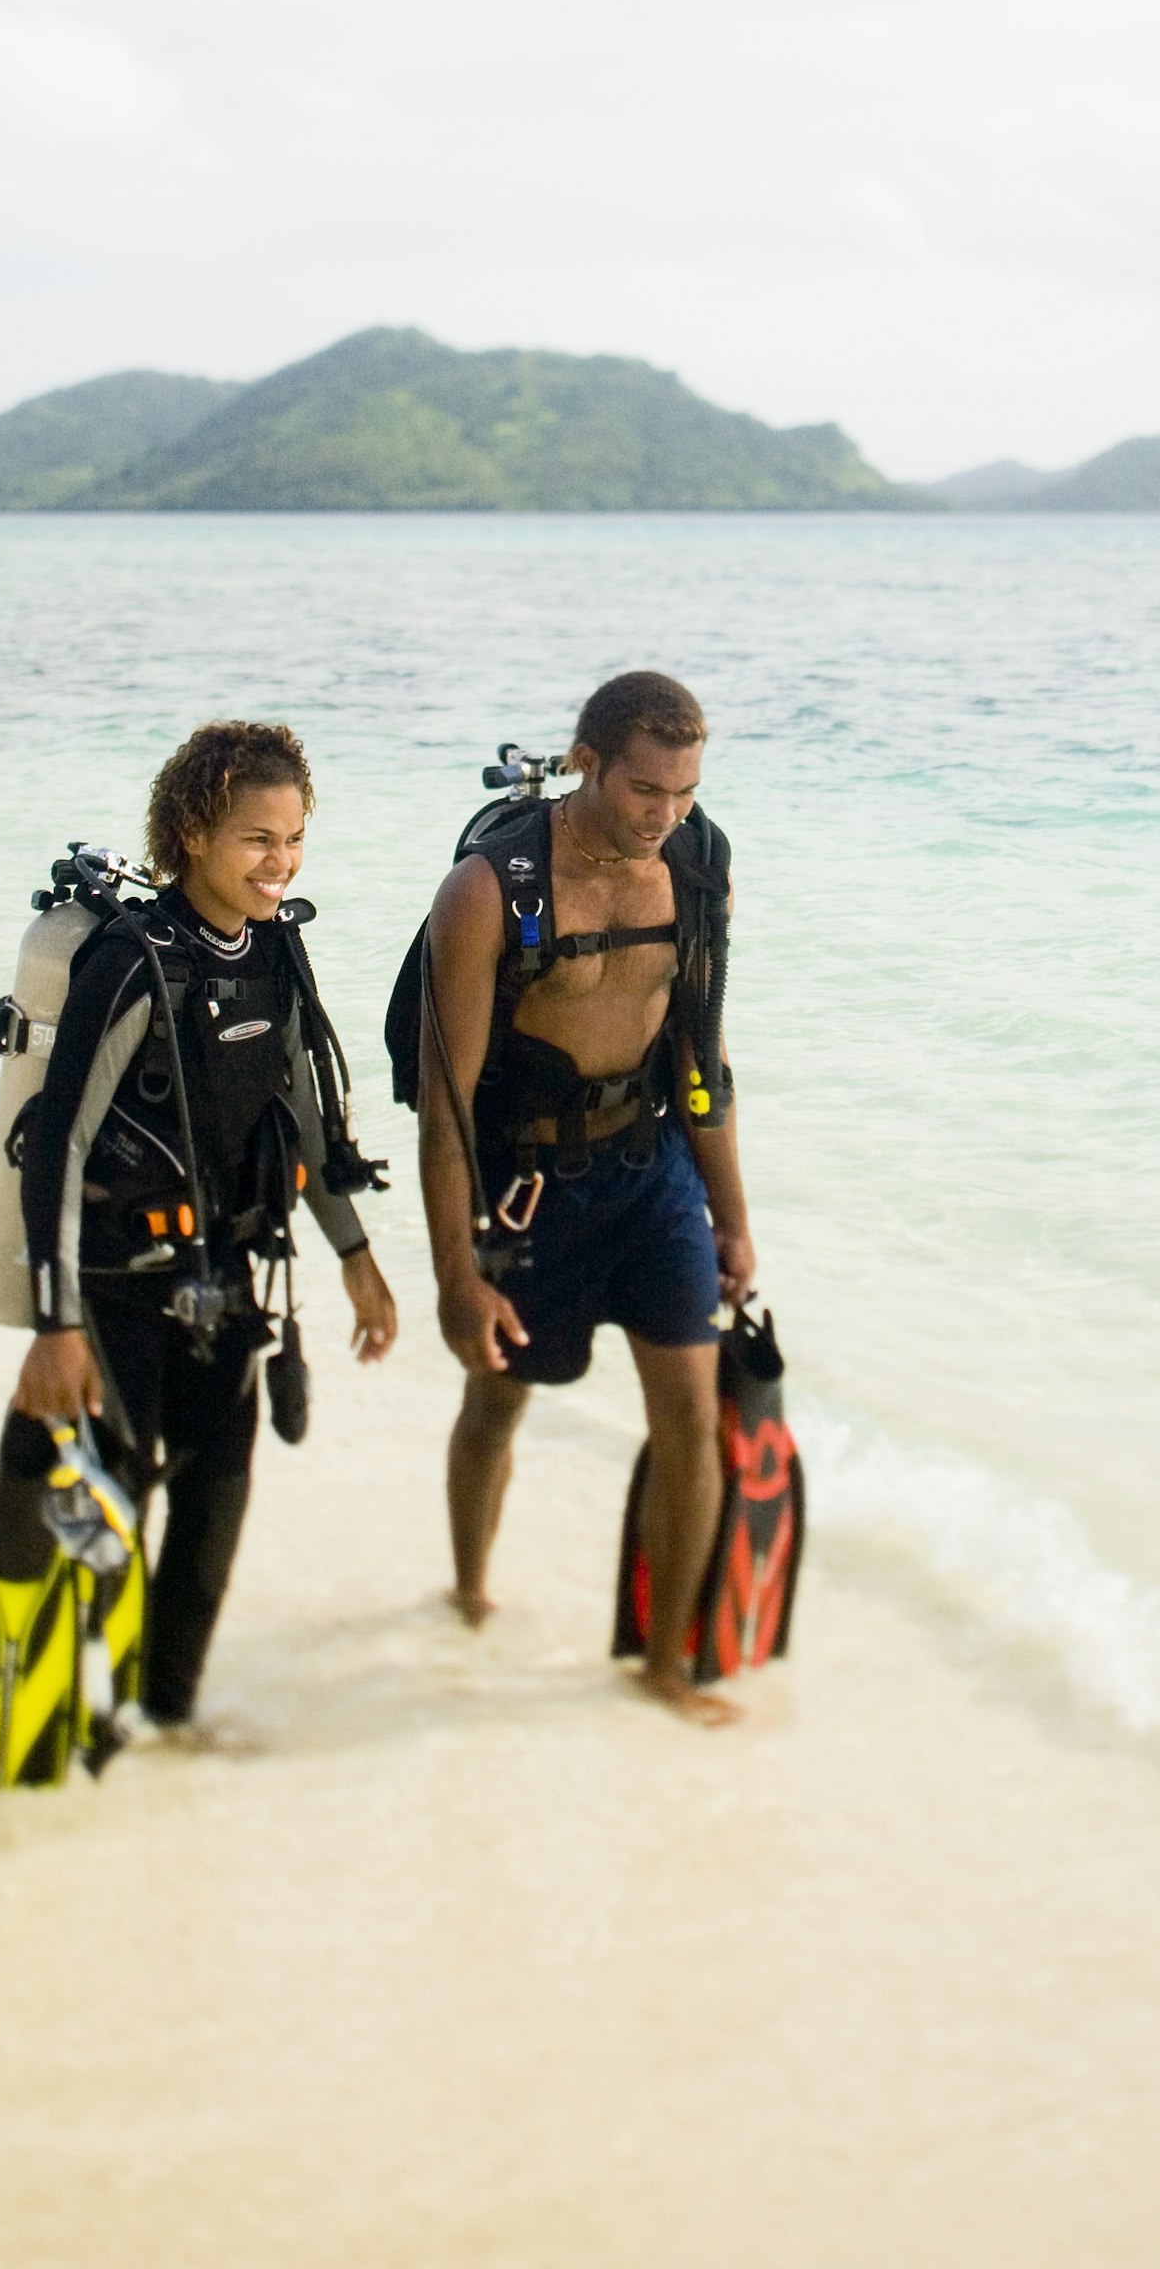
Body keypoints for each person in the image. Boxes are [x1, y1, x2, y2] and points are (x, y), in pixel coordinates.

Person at [0, 721, 397, 1757]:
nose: (281, 862)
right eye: (257, 839)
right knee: (89, 1510)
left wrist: (355, 1254)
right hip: (115, 1285)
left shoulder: (277, 950)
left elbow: (304, 1117)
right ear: (192, 834)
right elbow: (58, 1147)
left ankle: (161, 1718)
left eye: (296, 837)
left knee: (213, 1509)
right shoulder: (134, 961)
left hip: (225, 1282)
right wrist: (56, 1325)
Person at [414, 670, 753, 1723]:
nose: (667, 816)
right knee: (499, 1396)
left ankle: (663, 1669)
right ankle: (468, 1593)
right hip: (528, 1189)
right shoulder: (488, 892)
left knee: (693, 1417)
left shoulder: (699, 867)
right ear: (587, 760)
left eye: (686, 790)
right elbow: (445, 1104)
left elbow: (703, 1052)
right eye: (647, 790)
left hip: (651, 1175)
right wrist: (455, 1276)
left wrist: (734, 1214)